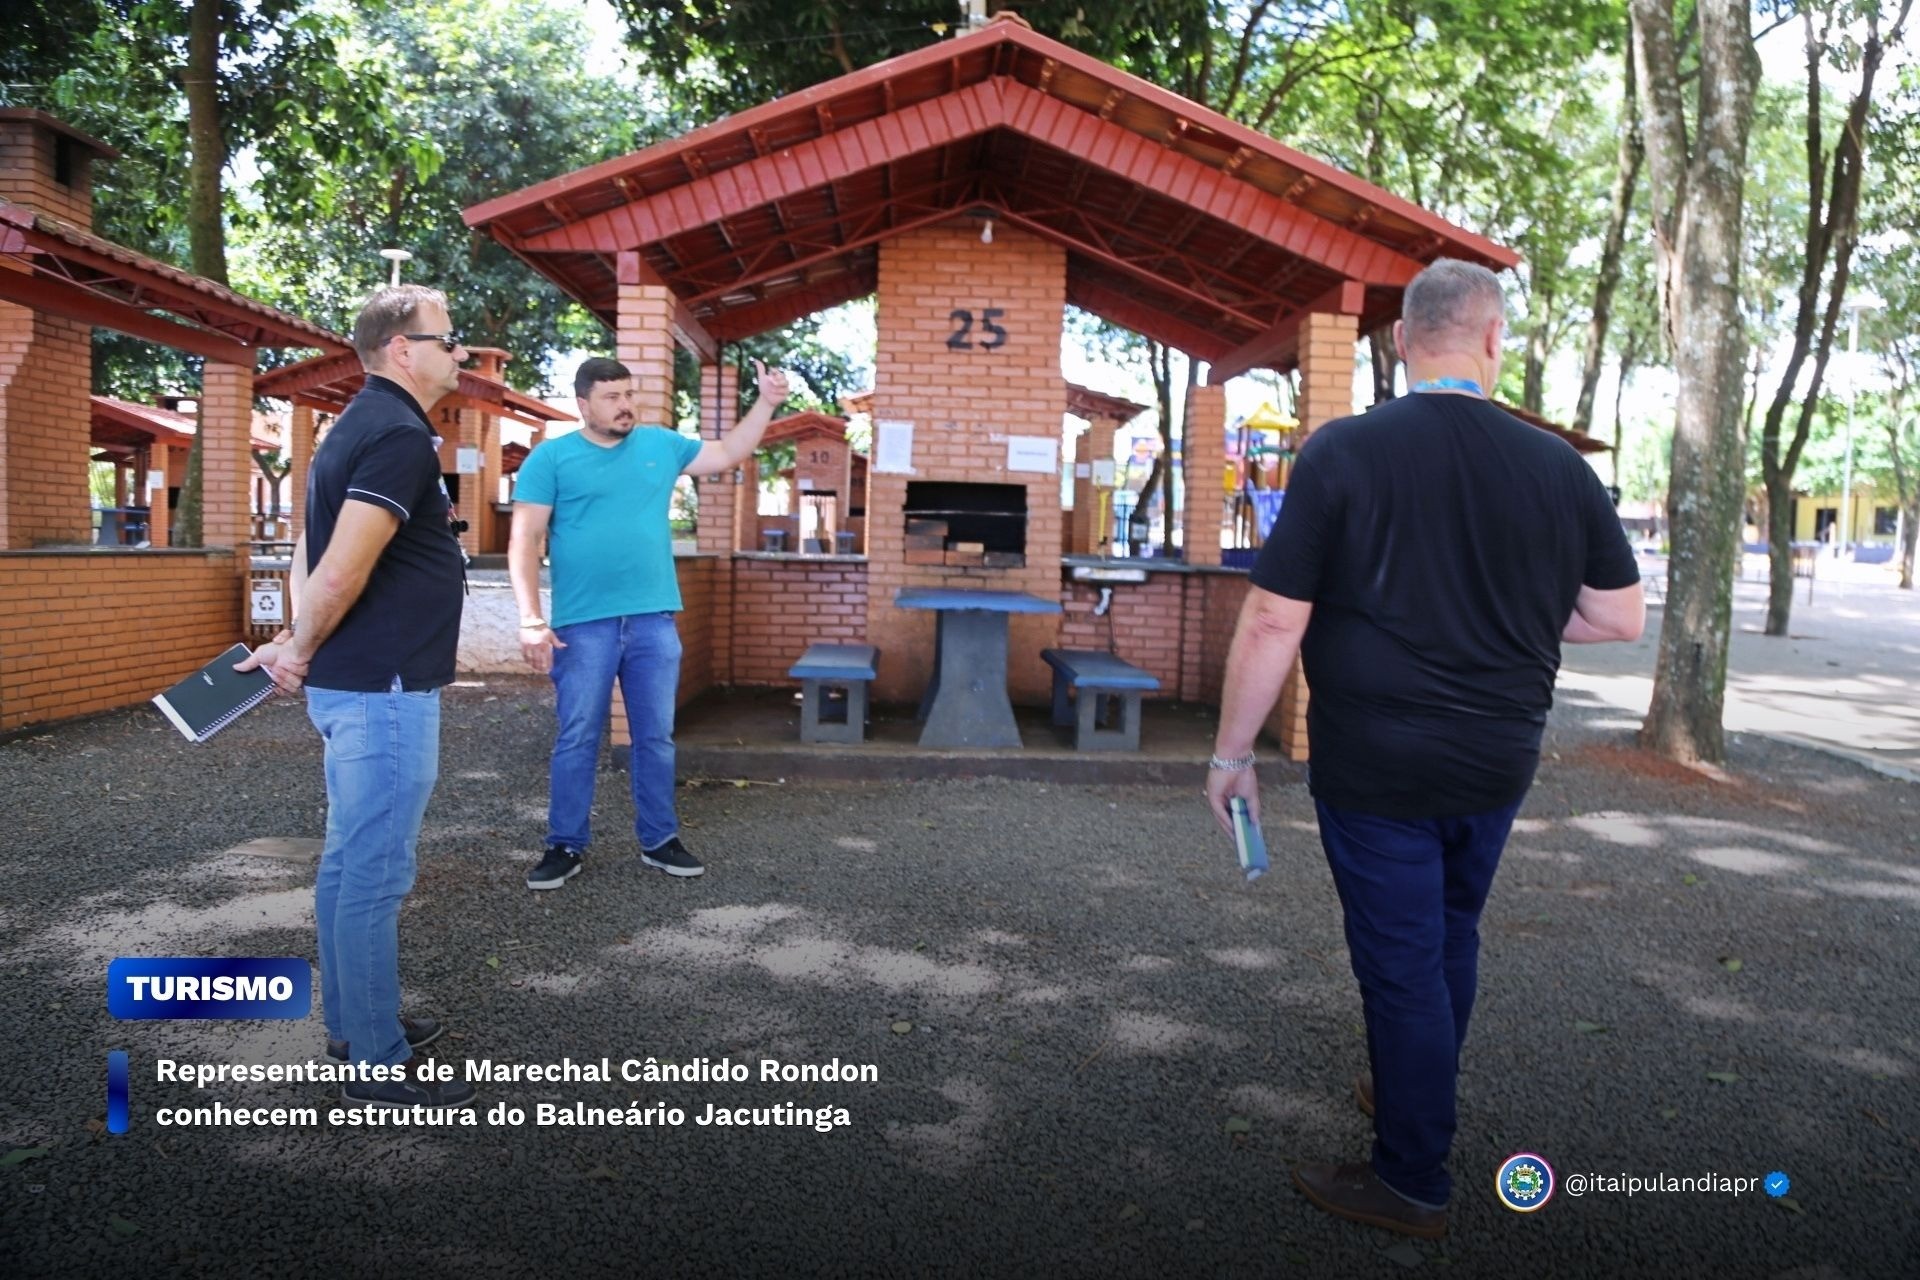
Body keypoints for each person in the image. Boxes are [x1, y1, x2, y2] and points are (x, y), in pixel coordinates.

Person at [1205, 259, 1644, 1238]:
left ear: (1402, 342)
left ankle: (1411, 1176)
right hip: (1498, 758)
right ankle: (1414, 1087)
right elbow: (1618, 618)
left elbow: (1276, 618)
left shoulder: (1344, 453)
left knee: (1399, 959)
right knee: (1451, 929)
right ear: (1494, 342)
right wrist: (1512, 621)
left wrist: (1232, 751)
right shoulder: (1557, 467)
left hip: (1376, 762)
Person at [241, 284, 477, 1110]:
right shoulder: (398, 435)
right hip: (383, 689)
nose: (463, 354)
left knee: (350, 863)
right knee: (374, 872)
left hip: (363, 683)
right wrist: (297, 646)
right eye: (451, 341)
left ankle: (355, 1023)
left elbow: (310, 544)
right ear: (403, 349)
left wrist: (296, 643)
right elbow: (341, 564)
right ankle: (373, 1054)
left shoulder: (355, 426)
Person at [511, 355, 792, 890]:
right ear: (583, 404)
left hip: (652, 621)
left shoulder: (661, 445)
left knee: (656, 738)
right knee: (577, 738)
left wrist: (768, 402)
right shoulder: (552, 459)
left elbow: (730, 452)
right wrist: (530, 618)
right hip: (583, 625)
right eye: (612, 397)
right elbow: (524, 538)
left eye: (628, 394)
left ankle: (659, 839)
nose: (625, 406)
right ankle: (565, 844)